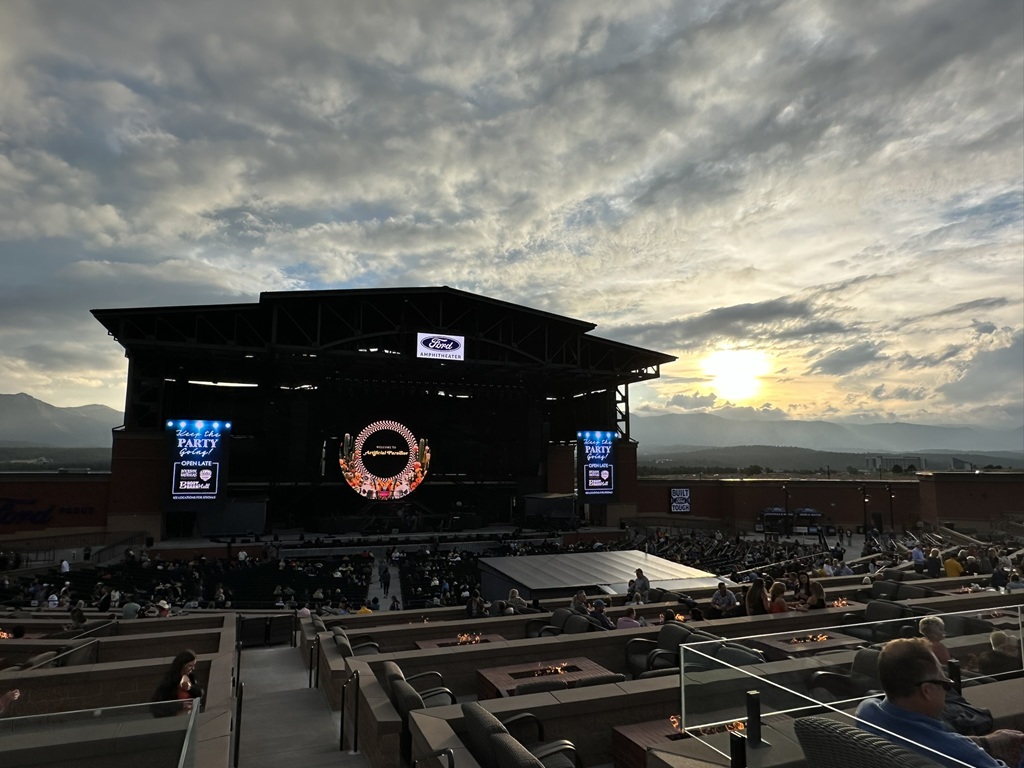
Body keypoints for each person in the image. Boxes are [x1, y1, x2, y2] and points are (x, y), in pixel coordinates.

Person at [856, 638, 1024, 767]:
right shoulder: (959, 752)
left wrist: (984, 742)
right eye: (945, 684)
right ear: (927, 690)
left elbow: (931, 741)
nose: (946, 691)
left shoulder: (867, 711)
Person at [151, 650, 203, 718]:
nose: (193, 668)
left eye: (194, 665)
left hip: (189, 716)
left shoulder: (191, 677)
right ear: (182, 665)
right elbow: (157, 704)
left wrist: (190, 688)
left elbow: (200, 693)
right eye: (190, 666)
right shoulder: (169, 680)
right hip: (174, 718)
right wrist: (180, 706)